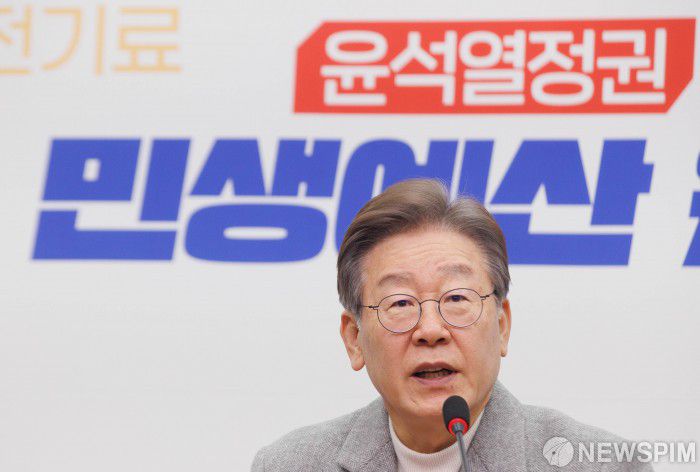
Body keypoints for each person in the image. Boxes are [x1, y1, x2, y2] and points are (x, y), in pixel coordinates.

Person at [252, 178, 652, 471]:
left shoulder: (603, 465)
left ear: (502, 326)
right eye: (400, 303)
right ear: (354, 339)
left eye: (457, 299)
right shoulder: (290, 465)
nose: (430, 330)